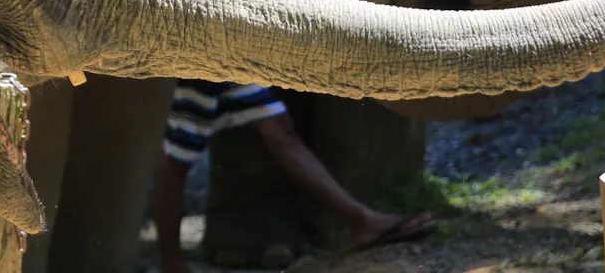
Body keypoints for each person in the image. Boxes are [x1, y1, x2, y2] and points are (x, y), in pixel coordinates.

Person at [153, 80, 435, 273]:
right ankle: (171, 262)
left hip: (225, 54)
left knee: (279, 128)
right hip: (200, 54)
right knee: (178, 156)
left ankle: (363, 221)